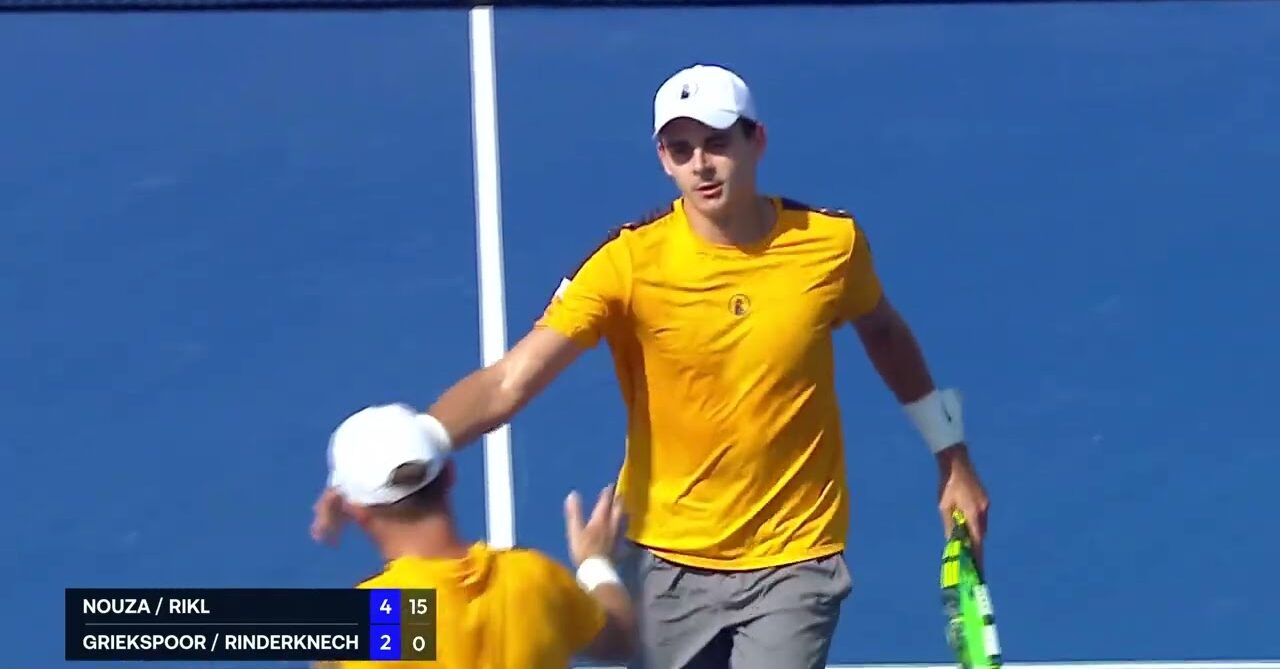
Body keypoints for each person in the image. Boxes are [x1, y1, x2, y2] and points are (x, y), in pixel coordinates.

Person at [313, 63, 991, 669]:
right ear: (664, 159)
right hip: (666, 557)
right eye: (681, 148)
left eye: (718, 142)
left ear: (756, 141)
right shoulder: (628, 265)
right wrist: (396, 462)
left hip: (795, 554)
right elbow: (509, 381)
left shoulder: (831, 247)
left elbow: (884, 330)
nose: (702, 164)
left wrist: (950, 454)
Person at [311, 403, 636, 668]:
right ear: (450, 475)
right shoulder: (535, 579)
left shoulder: (376, 619)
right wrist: (595, 562)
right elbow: (621, 637)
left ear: (357, 511)